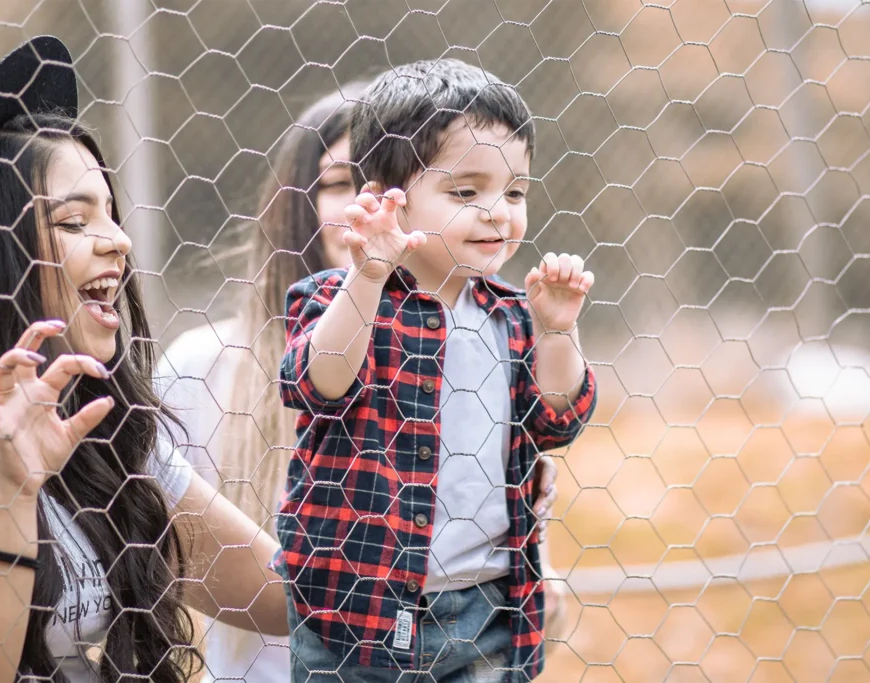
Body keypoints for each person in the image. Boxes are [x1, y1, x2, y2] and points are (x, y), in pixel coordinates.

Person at [157, 80, 566, 681]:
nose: (375, 213)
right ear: (296, 199)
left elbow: (526, 590)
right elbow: (151, 549)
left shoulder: (485, 337)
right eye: (343, 185)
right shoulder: (205, 364)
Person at [0, 37, 289, 683]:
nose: (118, 241)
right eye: (75, 221)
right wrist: (13, 490)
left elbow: (279, 595)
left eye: (111, 214)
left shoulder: (107, 429)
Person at [275, 58, 596, 682]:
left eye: (515, 191)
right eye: (466, 192)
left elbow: (557, 420)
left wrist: (558, 329)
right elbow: (317, 383)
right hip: (353, 609)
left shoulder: (513, 315)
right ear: (386, 199)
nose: (497, 212)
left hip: (487, 609)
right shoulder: (334, 297)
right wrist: (368, 273)